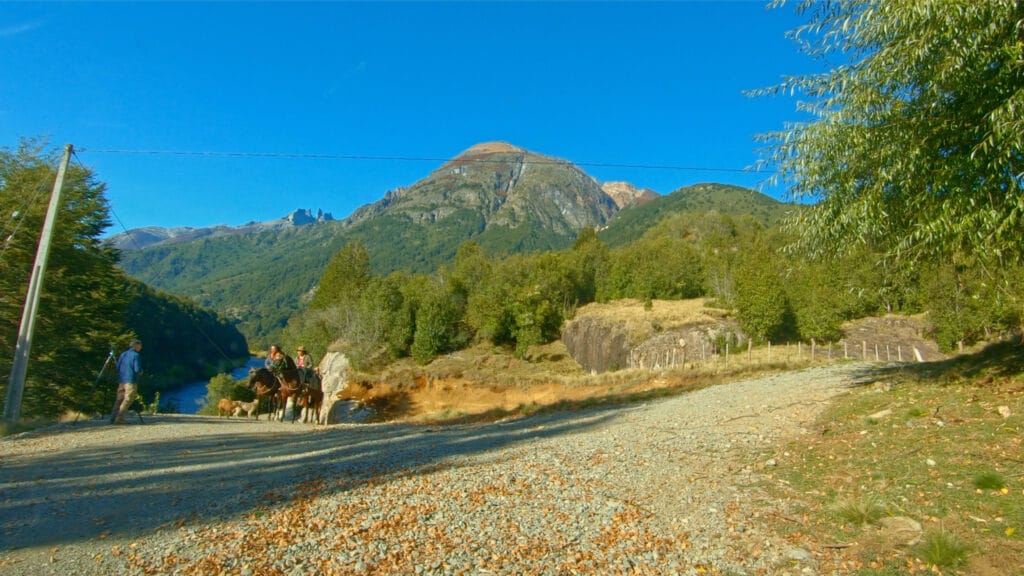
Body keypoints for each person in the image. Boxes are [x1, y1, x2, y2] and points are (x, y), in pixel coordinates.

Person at [110, 339, 143, 424]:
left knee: (119, 399)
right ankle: (120, 418)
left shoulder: (123, 354)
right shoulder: (136, 355)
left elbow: (118, 367)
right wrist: (141, 372)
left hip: (122, 380)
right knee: (128, 399)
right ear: (136, 346)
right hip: (130, 380)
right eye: (140, 346)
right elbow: (137, 369)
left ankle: (113, 417)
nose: (141, 347)